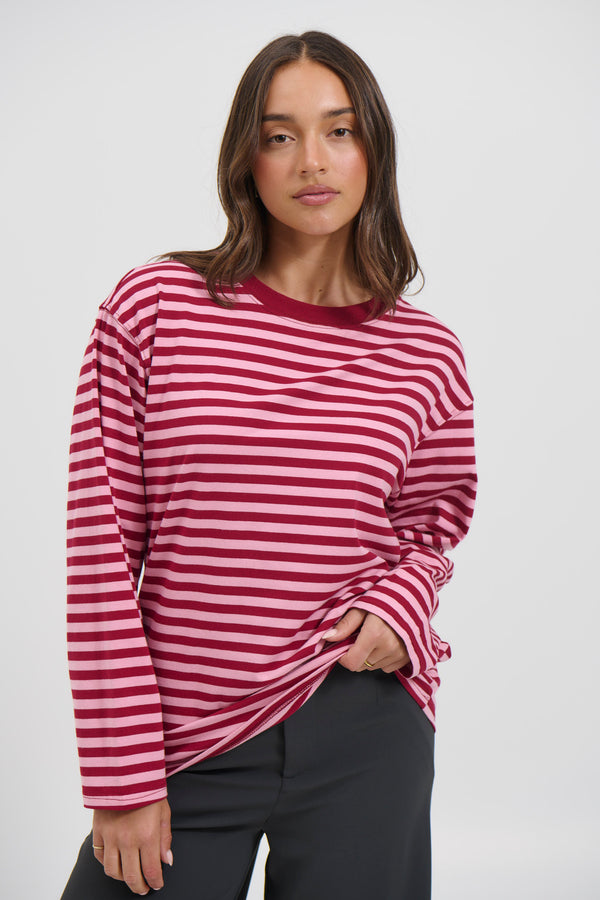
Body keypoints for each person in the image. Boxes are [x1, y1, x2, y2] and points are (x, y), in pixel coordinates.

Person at [61, 30, 477, 900]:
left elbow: (431, 527)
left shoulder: (425, 352)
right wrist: (121, 775)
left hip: (363, 723)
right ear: (245, 160)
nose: (311, 161)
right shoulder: (155, 309)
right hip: (184, 738)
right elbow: (100, 550)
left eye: (340, 130)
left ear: (374, 150)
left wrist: (398, 607)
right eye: (279, 135)